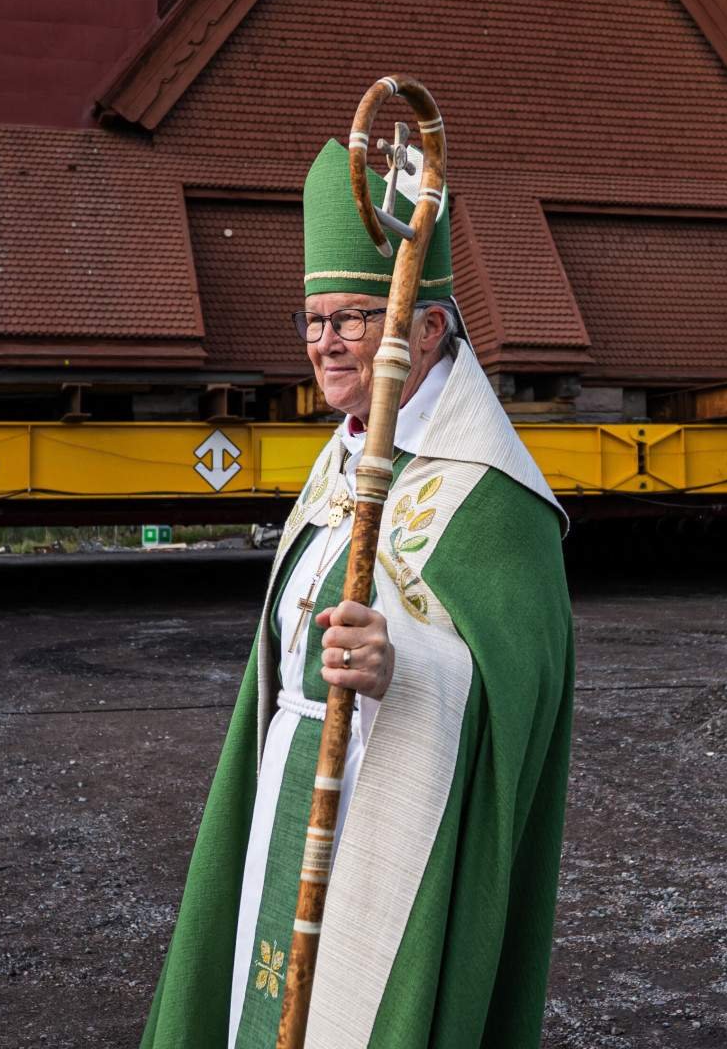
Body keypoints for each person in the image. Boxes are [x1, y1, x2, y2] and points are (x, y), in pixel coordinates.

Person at [141, 139, 575, 1049]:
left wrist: (405, 664)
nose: (329, 341)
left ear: (428, 329)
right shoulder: (340, 459)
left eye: (355, 318)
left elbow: (523, 696)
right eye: (314, 320)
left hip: (402, 810)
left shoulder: (494, 494)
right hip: (292, 773)